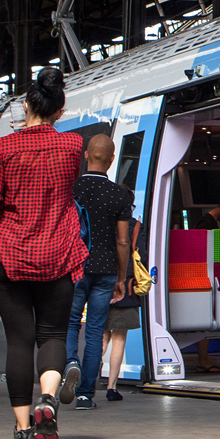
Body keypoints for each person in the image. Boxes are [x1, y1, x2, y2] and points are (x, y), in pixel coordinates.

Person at [0, 67, 88, 439]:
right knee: (53, 336)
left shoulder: (2, 148)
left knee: (19, 341)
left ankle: (24, 430)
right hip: (58, 255)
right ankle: (48, 398)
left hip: (8, 256)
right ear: (59, 112)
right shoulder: (72, 147)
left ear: (25, 105)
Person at [64, 134, 131, 410]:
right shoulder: (119, 194)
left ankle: (70, 361)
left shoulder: (72, 189)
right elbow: (123, 241)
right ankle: (84, 394)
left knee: (70, 323)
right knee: (95, 331)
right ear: (112, 159)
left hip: (75, 266)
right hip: (105, 270)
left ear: (86, 155)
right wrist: (121, 277)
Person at [101, 186, 147, 402]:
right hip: (127, 287)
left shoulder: (103, 223)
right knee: (119, 338)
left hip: (102, 284)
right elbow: (143, 256)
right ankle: (112, 387)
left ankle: (85, 379)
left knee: (100, 336)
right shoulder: (137, 226)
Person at [193, 203, 220, 373]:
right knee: (206, 320)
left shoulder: (206, 222)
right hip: (206, 276)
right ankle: (203, 361)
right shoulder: (207, 225)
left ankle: (203, 361)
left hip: (206, 275)